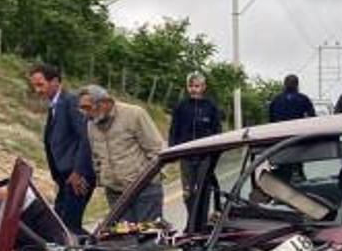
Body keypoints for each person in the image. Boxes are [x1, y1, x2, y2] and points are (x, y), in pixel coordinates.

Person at [80, 85, 165, 223]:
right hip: (115, 194)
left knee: (148, 238)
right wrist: (102, 178)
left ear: (104, 103)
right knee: (124, 240)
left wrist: (148, 179)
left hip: (144, 190)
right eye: (82, 108)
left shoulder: (134, 114)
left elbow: (157, 149)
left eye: (87, 107)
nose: (85, 113)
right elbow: (96, 156)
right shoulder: (91, 125)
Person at [31, 63, 94, 234]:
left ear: (55, 82)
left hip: (78, 177)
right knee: (60, 224)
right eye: (34, 86)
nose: (37, 90)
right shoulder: (55, 106)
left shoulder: (71, 101)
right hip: (65, 177)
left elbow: (86, 136)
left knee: (68, 227)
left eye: (40, 85)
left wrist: (78, 171)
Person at [168, 72, 222, 213]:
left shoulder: (211, 106)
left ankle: (202, 221)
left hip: (205, 156)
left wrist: (215, 153)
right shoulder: (181, 106)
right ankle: (191, 220)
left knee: (203, 190)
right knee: (188, 192)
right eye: (190, 86)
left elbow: (217, 131)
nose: (193, 89)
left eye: (197, 86)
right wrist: (172, 150)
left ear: (203, 87)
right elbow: (174, 129)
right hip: (186, 156)